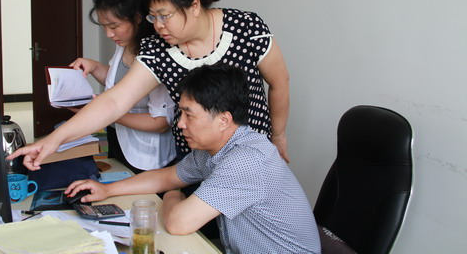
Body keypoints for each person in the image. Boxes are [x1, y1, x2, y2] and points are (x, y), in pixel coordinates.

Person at [8, 0, 290, 170]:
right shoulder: (158, 47)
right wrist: (53, 140)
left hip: (251, 155)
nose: (158, 26)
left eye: (164, 16)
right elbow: (116, 99)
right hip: (195, 160)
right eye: (153, 17)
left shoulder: (245, 27)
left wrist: (278, 136)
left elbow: (279, 82)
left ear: (194, 6)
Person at [65, 64, 320, 254]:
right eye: (181, 113)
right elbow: (167, 176)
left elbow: (178, 222)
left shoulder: (246, 160)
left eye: (189, 115)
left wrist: (172, 195)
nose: (181, 124)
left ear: (224, 120)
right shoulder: (214, 148)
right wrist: (107, 189)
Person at [69, 0, 176, 173]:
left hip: (147, 153)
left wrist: (107, 113)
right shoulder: (125, 44)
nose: (108, 34)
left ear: (137, 17)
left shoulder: (156, 55)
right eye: (104, 26)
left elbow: (161, 122)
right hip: (118, 139)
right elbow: (121, 84)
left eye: (114, 26)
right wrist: (93, 67)